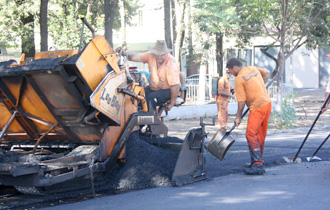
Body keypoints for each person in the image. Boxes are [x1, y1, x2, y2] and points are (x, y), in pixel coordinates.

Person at [226, 57, 271, 175]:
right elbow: (267, 72)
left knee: (250, 134)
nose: (231, 74)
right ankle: (258, 161)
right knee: (259, 134)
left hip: (257, 106)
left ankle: (257, 165)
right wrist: (261, 87)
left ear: (234, 68)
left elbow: (241, 101)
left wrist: (238, 117)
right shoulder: (252, 68)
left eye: (230, 71)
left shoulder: (239, 78)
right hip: (267, 103)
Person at [116, 40, 180, 113]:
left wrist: (171, 104)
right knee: (137, 95)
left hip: (167, 91)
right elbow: (135, 56)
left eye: (162, 55)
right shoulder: (150, 55)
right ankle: (137, 116)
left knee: (150, 98)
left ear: (166, 53)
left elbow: (175, 86)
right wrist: (124, 53)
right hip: (153, 88)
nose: (159, 57)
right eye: (157, 54)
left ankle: (149, 119)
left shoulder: (171, 63)